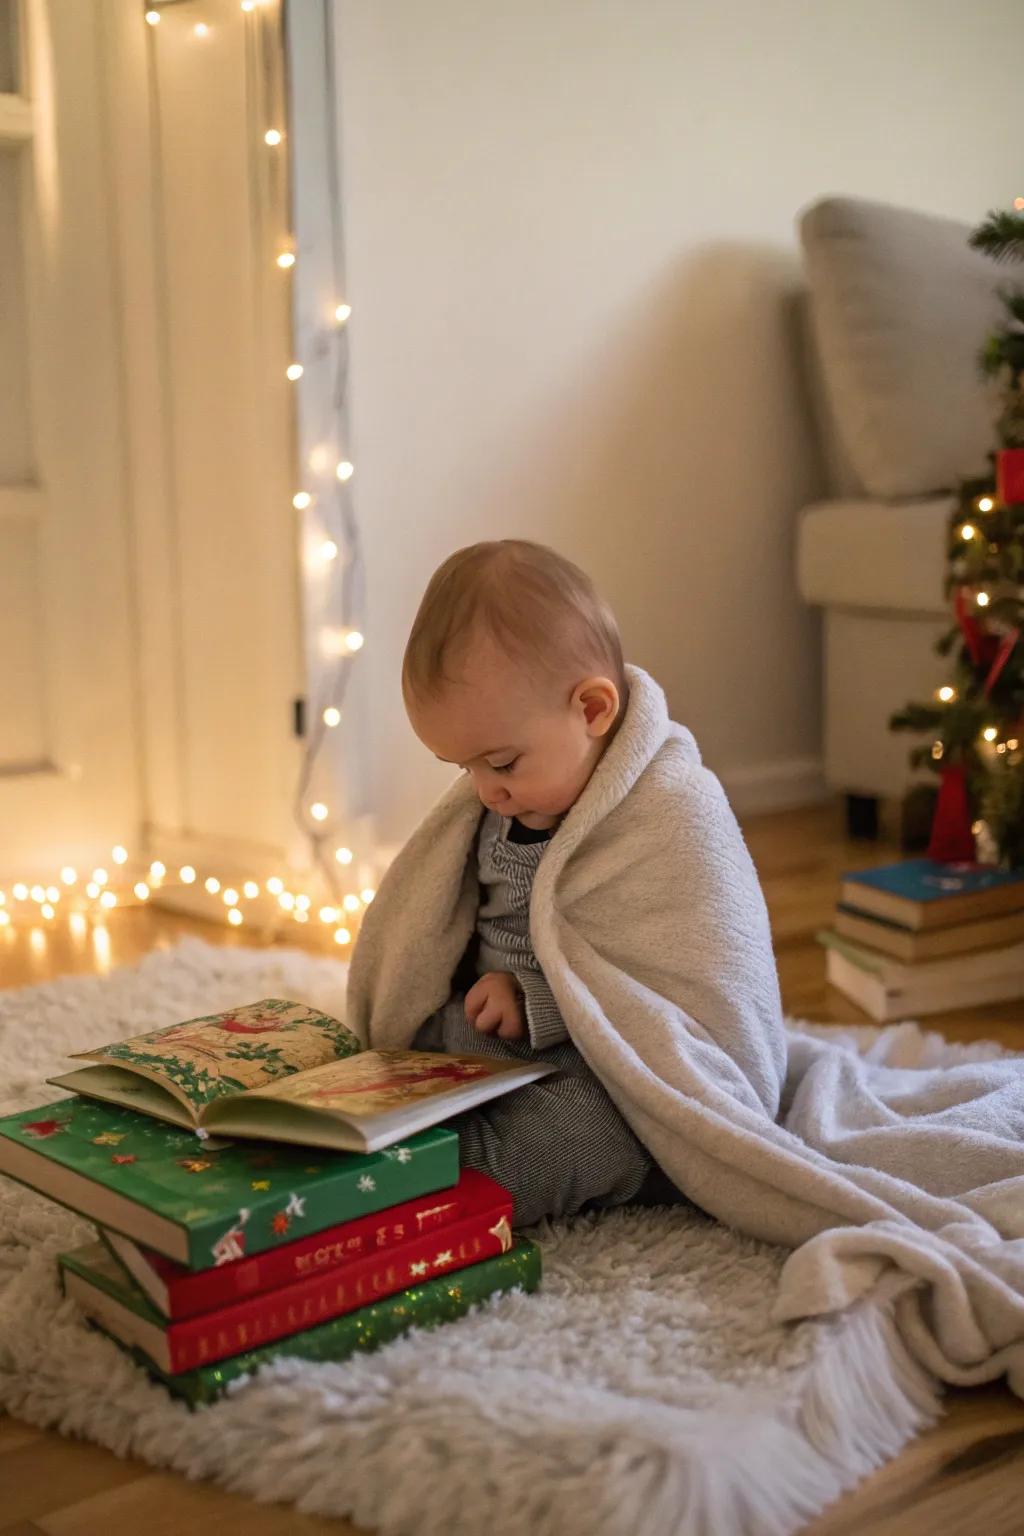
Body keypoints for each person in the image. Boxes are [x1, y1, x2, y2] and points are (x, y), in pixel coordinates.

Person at [349, 539, 783, 1224]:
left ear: (592, 710)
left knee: (579, 1132)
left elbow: (680, 986)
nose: (486, 790)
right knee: (403, 1058)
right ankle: (393, 1132)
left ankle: (464, 1179)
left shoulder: (669, 811)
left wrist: (539, 1002)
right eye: (462, 768)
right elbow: (443, 923)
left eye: (501, 762)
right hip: (491, 1039)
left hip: (611, 1068)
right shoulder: (496, 813)